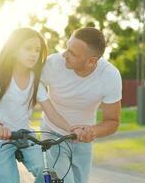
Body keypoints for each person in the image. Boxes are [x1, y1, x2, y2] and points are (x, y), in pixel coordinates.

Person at [0, 28, 73, 183]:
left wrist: (71, 129)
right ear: (14, 50)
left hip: (26, 135)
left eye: (37, 50)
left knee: (47, 172)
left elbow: (51, 112)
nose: (34, 54)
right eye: (28, 48)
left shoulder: (35, 80)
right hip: (0, 137)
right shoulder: (0, 75)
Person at [38, 27, 122, 183]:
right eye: (67, 48)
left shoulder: (110, 76)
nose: (64, 55)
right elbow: (31, 86)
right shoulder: (53, 64)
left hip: (83, 140)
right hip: (53, 133)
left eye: (72, 53)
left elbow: (113, 121)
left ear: (92, 61)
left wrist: (92, 131)